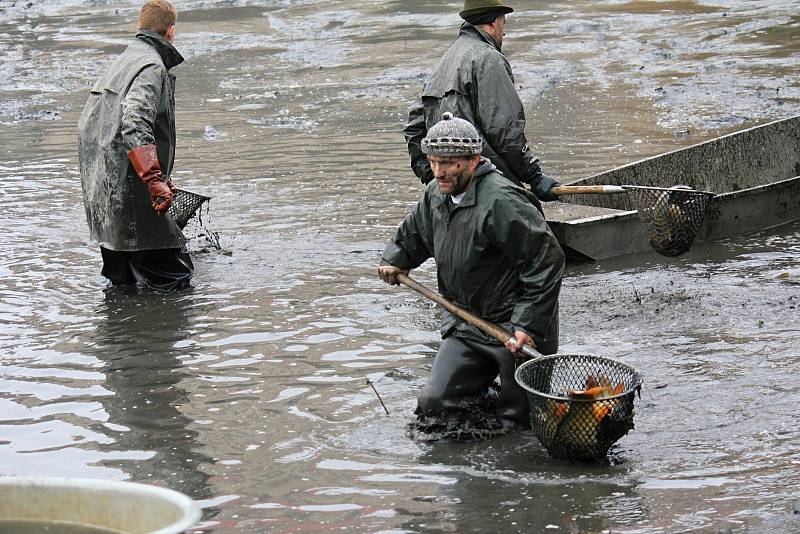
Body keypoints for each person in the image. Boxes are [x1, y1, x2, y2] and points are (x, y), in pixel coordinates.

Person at [379, 113, 565, 430]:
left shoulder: (502, 201)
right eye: (434, 162)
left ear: (474, 160)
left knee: (517, 423)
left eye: (449, 164)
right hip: (466, 321)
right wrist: (396, 259)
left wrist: (526, 324)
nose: (439, 172)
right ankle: (487, 388)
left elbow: (546, 261)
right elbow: (414, 234)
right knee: (434, 404)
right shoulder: (436, 195)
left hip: (514, 330)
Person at [78, 0, 193, 291]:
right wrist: (154, 179)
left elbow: (94, 127)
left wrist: (159, 174)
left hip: (105, 203)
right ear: (170, 32)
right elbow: (134, 122)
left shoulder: (122, 62)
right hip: (133, 198)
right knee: (176, 279)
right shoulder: (152, 66)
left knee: (122, 286)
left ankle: (120, 335)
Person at [403, 0, 561, 202]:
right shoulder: (488, 58)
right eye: (504, 23)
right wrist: (534, 175)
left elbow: (414, 130)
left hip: (453, 190)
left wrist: (436, 179)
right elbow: (505, 131)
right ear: (494, 22)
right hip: (490, 186)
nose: (504, 33)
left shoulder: (444, 61)